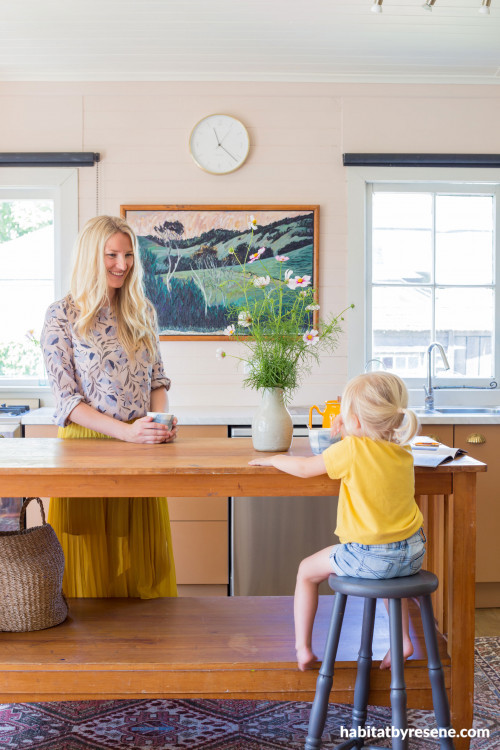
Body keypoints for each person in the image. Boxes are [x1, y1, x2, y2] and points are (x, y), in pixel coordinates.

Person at [41, 215, 177, 599]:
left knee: (138, 559)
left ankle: (144, 649)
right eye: (112, 255)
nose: (123, 264)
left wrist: (157, 421)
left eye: (129, 255)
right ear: (90, 256)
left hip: (141, 447)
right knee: (88, 554)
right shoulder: (61, 315)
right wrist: (128, 433)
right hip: (84, 447)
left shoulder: (141, 311)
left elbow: (158, 381)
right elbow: (67, 401)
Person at [249, 372, 424, 671]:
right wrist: (350, 431)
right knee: (390, 576)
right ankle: (402, 641)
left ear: (355, 421)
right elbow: (370, 455)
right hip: (412, 554)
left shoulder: (352, 450)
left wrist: (274, 459)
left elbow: (305, 468)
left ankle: (302, 647)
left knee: (306, 571)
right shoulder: (403, 450)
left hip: (371, 557)